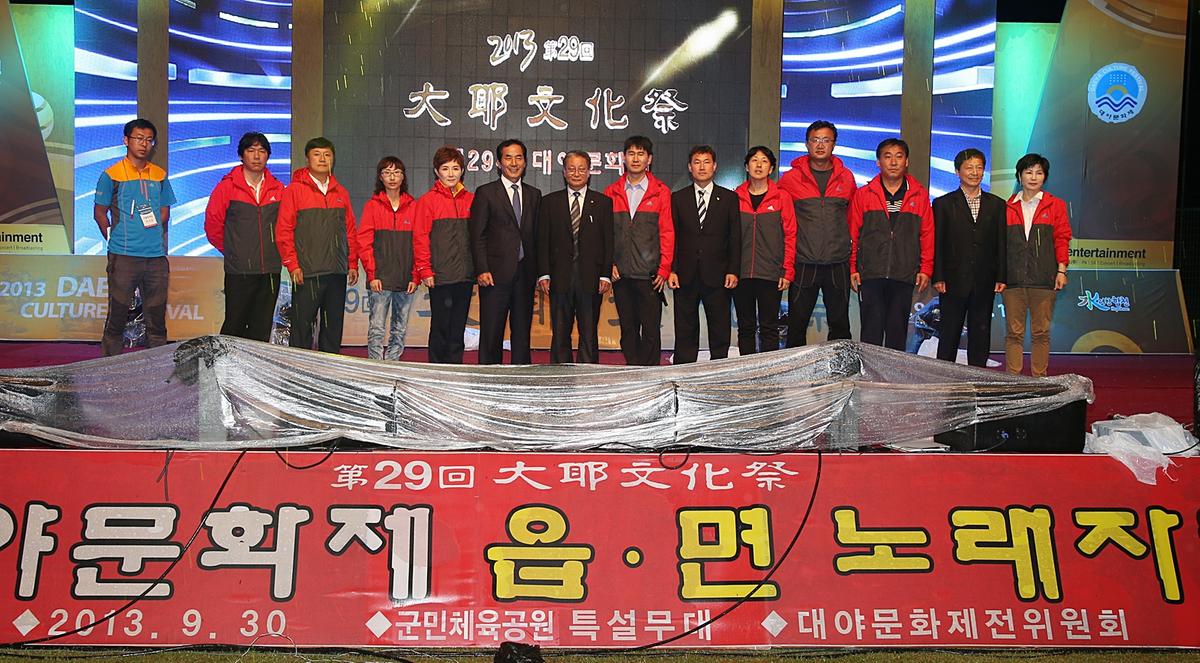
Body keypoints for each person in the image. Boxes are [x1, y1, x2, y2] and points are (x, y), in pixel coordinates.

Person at [93, 118, 176, 356]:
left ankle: (157, 365)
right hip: (124, 256)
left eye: (149, 140)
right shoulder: (111, 175)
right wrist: (113, 238)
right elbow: (99, 212)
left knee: (156, 318)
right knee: (117, 315)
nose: (144, 144)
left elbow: (164, 211)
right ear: (126, 140)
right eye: (139, 138)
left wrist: (150, 231)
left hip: (156, 256)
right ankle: (110, 364)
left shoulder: (159, 175)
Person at [848, 138, 934, 351]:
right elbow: (852, 234)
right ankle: (869, 371)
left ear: (907, 162)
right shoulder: (864, 194)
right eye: (887, 157)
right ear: (878, 162)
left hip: (904, 273)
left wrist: (926, 268)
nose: (893, 162)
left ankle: (893, 373)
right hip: (871, 274)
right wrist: (852, 267)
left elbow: (927, 234)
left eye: (899, 156)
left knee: (897, 333)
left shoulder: (919, 195)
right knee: (871, 332)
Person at [275, 136, 358, 353]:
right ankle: (299, 369)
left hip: (337, 271)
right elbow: (284, 230)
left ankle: (328, 370)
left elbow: (350, 231)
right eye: (317, 154)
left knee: (333, 329)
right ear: (307, 159)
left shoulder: (341, 193)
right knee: (302, 328)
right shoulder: (294, 190)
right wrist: (293, 265)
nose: (322, 159)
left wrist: (352, 263)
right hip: (307, 272)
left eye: (327, 155)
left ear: (333, 159)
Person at [778, 120, 857, 346]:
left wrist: (853, 261)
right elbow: (782, 223)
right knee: (796, 323)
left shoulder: (846, 177)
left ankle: (840, 367)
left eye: (826, 140)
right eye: (815, 140)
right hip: (804, 262)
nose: (820, 145)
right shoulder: (790, 179)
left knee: (840, 324)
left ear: (834, 144)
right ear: (807, 144)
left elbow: (853, 221)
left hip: (837, 262)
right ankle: (796, 367)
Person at [204, 132, 285, 342]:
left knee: (262, 327)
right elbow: (213, 226)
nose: (257, 156)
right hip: (239, 269)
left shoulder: (278, 188)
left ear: (268, 155)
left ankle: (254, 364)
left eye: (262, 151)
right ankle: (226, 363)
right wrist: (234, 251)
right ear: (241, 155)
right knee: (235, 324)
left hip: (270, 269)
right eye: (251, 151)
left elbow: (285, 227)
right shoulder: (227, 187)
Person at [536, 151, 614, 363]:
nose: (576, 173)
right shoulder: (549, 202)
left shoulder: (603, 203)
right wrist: (544, 273)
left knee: (589, 333)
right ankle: (560, 374)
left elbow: (608, 241)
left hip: (591, 278)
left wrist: (605, 274)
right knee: (560, 332)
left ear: (589, 172)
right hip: (559, 277)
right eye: (571, 169)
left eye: (581, 169)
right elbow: (542, 241)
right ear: (564, 172)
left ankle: (588, 373)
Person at [932, 148, 1007, 367]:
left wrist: (1001, 275)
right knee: (949, 332)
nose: (974, 172)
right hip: (952, 280)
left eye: (979, 167)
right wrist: (938, 276)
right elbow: (938, 242)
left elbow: (1001, 242)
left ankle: (977, 376)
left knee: (981, 332)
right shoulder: (943, 204)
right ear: (957, 172)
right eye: (969, 167)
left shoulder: (997, 204)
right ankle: (945, 377)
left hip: (985, 279)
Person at [469, 139, 541, 364]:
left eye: (519, 157)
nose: (514, 163)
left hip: (525, 275)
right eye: (508, 158)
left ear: (525, 162)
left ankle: (521, 377)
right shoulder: (486, 193)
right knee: (492, 332)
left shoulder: (534, 194)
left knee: (522, 334)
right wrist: (482, 269)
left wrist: (540, 272)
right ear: (499, 163)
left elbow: (537, 236)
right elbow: (477, 235)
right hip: (494, 275)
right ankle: (488, 377)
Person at [604, 135, 674, 366]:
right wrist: (609, 264)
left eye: (641, 154)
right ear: (623, 158)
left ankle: (650, 375)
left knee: (651, 330)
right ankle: (633, 372)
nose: (635, 159)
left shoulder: (661, 191)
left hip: (650, 275)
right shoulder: (611, 192)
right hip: (621, 275)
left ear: (649, 159)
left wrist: (664, 268)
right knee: (628, 329)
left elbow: (667, 232)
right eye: (631, 153)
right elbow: (605, 236)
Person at [668, 145, 740, 363]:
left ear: (714, 166)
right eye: (697, 162)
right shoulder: (678, 198)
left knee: (719, 326)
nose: (702, 167)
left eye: (706, 162)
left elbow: (735, 237)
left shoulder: (728, 198)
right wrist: (672, 269)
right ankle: (685, 371)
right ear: (690, 167)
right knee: (685, 327)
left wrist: (733, 270)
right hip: (685, 273)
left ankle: (718, 370)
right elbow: (672, 236)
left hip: (718, 274)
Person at [1003, 153, 1071, 377]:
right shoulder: (1006, 207)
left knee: (1041, 333)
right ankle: (1013, 380)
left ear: (1045, 177)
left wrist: (1061, 270)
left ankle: (1039, 380)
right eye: (1028, 172)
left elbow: (1062, 238)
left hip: (1044, 279)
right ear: (1019, 176)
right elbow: (999, 245)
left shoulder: (1056, 205)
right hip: (1013, 280)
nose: (1033, 177)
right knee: (1014, 333)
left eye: (1039, 173)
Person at [414, 146, 475, 364]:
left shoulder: (471, 199)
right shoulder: (427, 201)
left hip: (465, 275)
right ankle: (436, 370)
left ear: (462, 171)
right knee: (440, 326)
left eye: (455, 168)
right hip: (439, 276)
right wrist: (425, 270)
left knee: (458, 327)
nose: (451, 174)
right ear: (436, 171)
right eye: (445, 168)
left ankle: (455, 370)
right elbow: (420, 238)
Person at [733, 146, 795, 355]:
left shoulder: (781, 197)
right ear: (746, 167)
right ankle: (747, 370)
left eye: (764, 161)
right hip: (742, 273)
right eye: (754, 160)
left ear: (771, 169)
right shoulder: (736, 196)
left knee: (769, 327)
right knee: (745, 327)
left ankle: (769, 371)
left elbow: (790, 235)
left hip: (771, 273)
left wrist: (787, 270)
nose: (759, 165)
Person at [358, 156, 417, 361]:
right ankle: (375, 368)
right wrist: (372, 274)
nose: (392, 177)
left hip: (406, 280)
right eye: (387, 173)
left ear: (403, 177)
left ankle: (393, 366)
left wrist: (415, 276)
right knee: (376, 328)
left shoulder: (414, 206)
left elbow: (419, 244)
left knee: (399, 330)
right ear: (380, 177)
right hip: (380, 280)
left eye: (396, 172)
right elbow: (364, 243)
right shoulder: (372, 206)